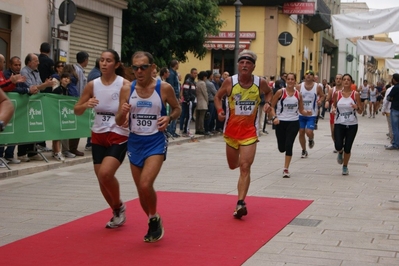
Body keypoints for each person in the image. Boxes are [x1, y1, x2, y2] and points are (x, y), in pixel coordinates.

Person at [116, 51, 181, 242]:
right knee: (140, 190)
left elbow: (177, 108)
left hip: (155, 141)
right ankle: (153, 219)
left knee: (146, 183)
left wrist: (168, 117)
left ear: (152, 68)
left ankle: (153, 220)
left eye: (143, 67)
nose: (138, 71)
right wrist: (122, 112)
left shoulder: (164, 88)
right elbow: (119, 121)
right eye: (135, 67)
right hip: (135, 141)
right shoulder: (127, 90)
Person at [74, 49, 130, 228]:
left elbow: (128, 109)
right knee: (101, 178)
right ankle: (117, 208)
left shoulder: (124, 84)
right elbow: (77, 110)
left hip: (118, 133)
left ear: (117, 64)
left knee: (106, 174)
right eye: (102, 60)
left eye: (108, 61)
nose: (104, 64)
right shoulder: (92, 85)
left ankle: (119, 206)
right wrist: (86, 104)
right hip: (98, 134)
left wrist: (127, 114)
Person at [214, 49, 272, 219]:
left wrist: (268, 103)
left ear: (253, 66)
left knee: (245, 166)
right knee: (234, 165)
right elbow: (218, 97)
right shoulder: (229, 82)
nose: (245, 65)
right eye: (242, 62)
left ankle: (240, 203)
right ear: (238, 65)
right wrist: (219, 110)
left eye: (248, 63)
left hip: (250, 132)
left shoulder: (259, 82)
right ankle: (243, 161)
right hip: (231, 132)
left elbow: (269, 92)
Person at [268, 73, 311, 177]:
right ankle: (283, 153)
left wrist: (307, 112)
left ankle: (286, 168)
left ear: (295, 81)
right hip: (280, 122)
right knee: (281, 148)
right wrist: (274, 117)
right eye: (289, 79)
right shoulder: (280, 92)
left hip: (293, 122)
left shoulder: (298, 94)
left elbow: (301, 110)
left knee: (289, 145)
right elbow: (271, 107)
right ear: (286, 80)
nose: (290, 81)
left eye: (292, 79)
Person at [18, 53, 55, 162]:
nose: (38, 63)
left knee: (34, 127)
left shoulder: (37, 72)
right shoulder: (24, 72)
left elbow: (39, 87)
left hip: (36, 104)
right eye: (35, 60)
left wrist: (44, 85)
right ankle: (22, 152)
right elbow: (31, 88)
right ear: (29, 62)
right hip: (26, 103)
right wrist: (44, 85)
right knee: (25, 127)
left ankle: (32, 152)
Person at [332, 73, 362, 175]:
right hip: (339, 123)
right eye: (344, 79)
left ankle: (345, 166)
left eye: (348, 80)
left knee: (348, 147)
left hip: (352, 124)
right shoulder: (337, 94)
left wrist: (356, 107)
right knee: (338, 145)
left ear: (351, 82)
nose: (345, 81)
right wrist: (333, 108)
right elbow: (334, 105)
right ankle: (340, 152)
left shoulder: (355, 94)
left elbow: (361, 111)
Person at [297, 70, 324, 158]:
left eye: (311, 74)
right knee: (301, 132)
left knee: (309, 132)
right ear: (304, 76)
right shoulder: (299, 86)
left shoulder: (317, 87)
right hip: (300, 113)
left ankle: (311, 139)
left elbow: (323, 95)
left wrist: (320, 101)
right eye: (307, 74)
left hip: (311, 114)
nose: (309, 75)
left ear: (313, 77)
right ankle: (304, 150)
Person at [70, 51, 89, 156]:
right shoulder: (78, 71)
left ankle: (73, 147)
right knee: (75, 125)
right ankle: (73, 148)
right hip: (78, 101)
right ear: (85, 60)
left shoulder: (77, 69)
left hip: (78, 100)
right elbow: (80, 87)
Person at [85, 58, 102, 151]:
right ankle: (90, 142)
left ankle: (90, 142)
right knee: (94, 121)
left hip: (93, 101)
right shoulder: (96, 75)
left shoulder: (93, 72)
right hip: (95, 101)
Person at [325, 74, 343, 152]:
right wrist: (327, 102)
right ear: (335, 80)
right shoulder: (332, 90)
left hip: (342, 113)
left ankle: (341, 143)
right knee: (333, 131)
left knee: (341, 130)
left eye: (340, 79)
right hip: (333, 112)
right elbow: (327, 99)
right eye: (337, 78)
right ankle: (336, 144)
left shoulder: (345, 90)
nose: (338, 80)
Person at [165, 59, 180, 138]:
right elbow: (171, 86)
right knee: (172, 112)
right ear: (175, 65)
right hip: (173, 95)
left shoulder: (175, 73)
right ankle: (170, 130)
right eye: (178, 64)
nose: (178, 65)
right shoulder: (171, 74)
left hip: (176, 95)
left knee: (175, 112)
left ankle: (173, 130)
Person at [385, 73, 399, 150]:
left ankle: (395, 144)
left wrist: (392, 99)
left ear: (394, 79)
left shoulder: (395, 88)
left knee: (395, 128)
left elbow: (388, 97)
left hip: (395, 109)